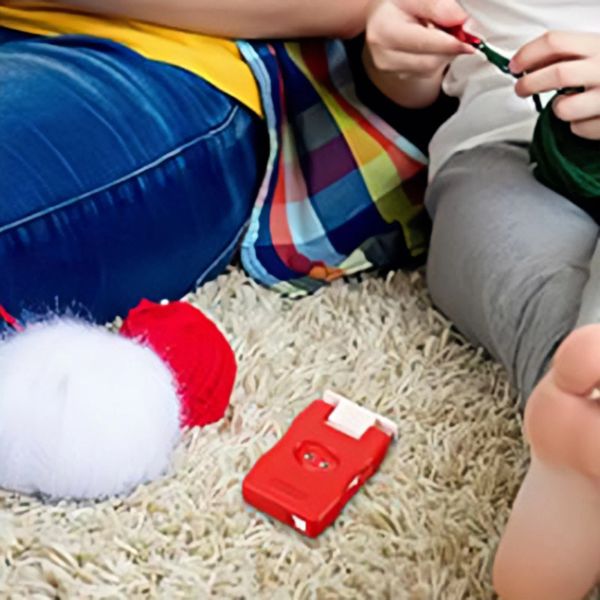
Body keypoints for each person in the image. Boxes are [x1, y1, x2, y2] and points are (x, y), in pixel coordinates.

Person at [363, 0, 600, 598]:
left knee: (569, 343)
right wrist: (395, 54)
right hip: (505, 148)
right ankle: (582, 432)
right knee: (536, 284)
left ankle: (583, 451)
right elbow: (407, 66)